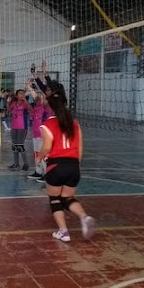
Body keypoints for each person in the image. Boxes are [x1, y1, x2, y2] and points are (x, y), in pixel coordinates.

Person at [38, 88, 95, 242]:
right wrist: (76, 165)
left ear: (51, 107)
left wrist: (39, 157)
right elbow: (80, 148)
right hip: (73, 165)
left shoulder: (47, 124)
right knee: (67, 197)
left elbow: (47, 147)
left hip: (56, 166)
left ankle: (64, 232)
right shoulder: (74, 123)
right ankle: (84, 217)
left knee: (55, 199)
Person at [25, 79, 51, 180]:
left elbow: (41, 96)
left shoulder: (46, 106)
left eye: (42, 95)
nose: (39, 96)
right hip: (35, 133)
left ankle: (46, 173)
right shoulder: (37, 105)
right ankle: (38, 171)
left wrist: (36, 88)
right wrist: (29, 86)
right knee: (36, 153)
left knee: (43, 154)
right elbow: (34, 95)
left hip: (43, 134)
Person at [8, 89, 32, 171]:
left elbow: (30, 109)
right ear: (16, 95)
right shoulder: (14, 103)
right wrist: (8, 102)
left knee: (20, 145)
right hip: (14, 126)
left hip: (22, 127)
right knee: (14, 145)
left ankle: (26, 164)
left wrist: (25, 100)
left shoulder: (25, 103)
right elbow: (9, 110)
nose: (22, 95)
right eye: (20, 93)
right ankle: (16, 163)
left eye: (23, 93)